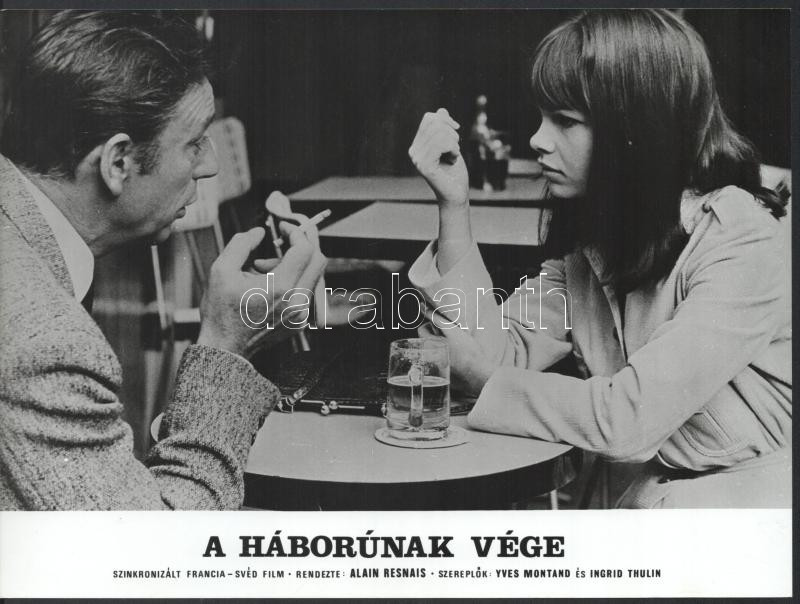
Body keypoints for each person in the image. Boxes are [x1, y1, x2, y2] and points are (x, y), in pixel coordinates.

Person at [407, 9, 791, 508]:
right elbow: (501, 354)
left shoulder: (740, 237)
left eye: (565, 121)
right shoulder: (601, 238)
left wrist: (482, 380)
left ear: (638, 129)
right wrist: (454, 204)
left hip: (745, 512)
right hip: (644, 504)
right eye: (543, 117)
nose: (537, 140)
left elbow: (626, 420)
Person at [0, 11, 326, 509]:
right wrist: (226, 346)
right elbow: (155, 546)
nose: (211, 164)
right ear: (118, 162)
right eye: (194, 143)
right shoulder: (45, 341)